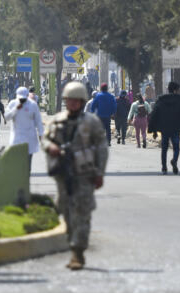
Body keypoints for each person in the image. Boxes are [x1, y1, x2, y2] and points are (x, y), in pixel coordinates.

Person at [43, 81, 109, 270]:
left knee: (83, 213)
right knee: (65, 211)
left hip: (84, 173)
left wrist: (99, 172)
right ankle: (71, 242)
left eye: (75, 101)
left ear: (82, 102)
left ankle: (77, 252)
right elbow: (46, 139)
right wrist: (51, 147)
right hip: (63, 174)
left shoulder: (91, 122)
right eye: (68, 100)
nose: (71, 104)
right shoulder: (57, 120)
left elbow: (102, 148)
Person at [148, 82, 180, 174]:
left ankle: (164, 167)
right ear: (175, 90)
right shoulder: (179, 100)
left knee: (164, 148)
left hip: (164, 128)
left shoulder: (161, 100)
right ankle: (174, 160)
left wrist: (153, 129)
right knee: (176, 148)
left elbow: (154, 115)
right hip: (176, 128)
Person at [6, 86, 45, 172]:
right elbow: (7, 117)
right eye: (20, 99)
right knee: (18, 161)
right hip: (17, 137)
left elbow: (38, 121)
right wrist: (16, 109)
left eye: (24, 99)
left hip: (29, 137)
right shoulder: (12, 103)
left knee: (28, 160)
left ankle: (26, 174)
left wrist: (41, 135)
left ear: (27, 95)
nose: (22, 101)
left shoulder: (33, 105)